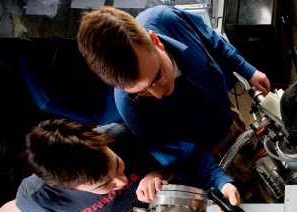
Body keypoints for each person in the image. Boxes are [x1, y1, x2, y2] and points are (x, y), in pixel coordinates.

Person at [76, 5, 270, 199]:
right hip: (208, 152)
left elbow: (210, 39)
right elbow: (184, 158)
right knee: (240, 186)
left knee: (251, 148)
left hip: (225, 110)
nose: (159, 94)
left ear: (155, 41)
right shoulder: (132, 108)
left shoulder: (167, 19)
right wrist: (221, 182)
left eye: (157, 77)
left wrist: (246, 69)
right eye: (142, 92)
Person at [0, 119, 240, 212]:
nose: (122, 181)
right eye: (105, 185)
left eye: (118, 165)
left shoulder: (121, 135)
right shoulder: (42, 197)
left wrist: (159, 172)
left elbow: (192, 153)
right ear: (65, 187)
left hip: (198, 194)